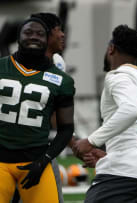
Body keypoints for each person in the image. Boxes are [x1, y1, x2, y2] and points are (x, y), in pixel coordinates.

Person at [72, 24, 137, 203]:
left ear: (111, 48)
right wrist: (111, 153)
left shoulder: (118, 76)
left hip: (127, 171)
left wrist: (91, 141)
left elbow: (131, 110)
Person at [0, 17, 75, 202]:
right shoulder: (2, 67)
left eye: (40, 34)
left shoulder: (61, 79)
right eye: (28, 32)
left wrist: (44, 160)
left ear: (46, 39)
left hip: (36, 159)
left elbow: (66, 127)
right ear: (18, 38)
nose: (34, 37)